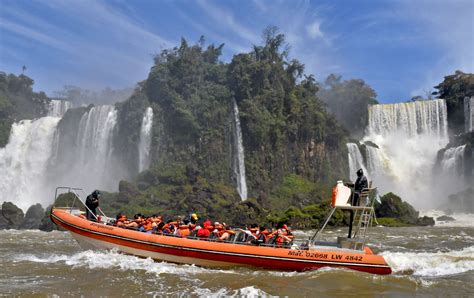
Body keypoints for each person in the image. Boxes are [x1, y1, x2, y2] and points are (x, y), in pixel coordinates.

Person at [347, 168, 368, 238]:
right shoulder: (360, 178)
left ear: (359, 173)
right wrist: (349, 185)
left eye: (357, 173)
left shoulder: (362, 178)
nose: (357, 175)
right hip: (359, 192)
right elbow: (356, 185)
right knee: (353, 193)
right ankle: (352, 205)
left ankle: (353, 205)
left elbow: (359, 186)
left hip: (361, 193)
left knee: (354, 194)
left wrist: (358, 191)